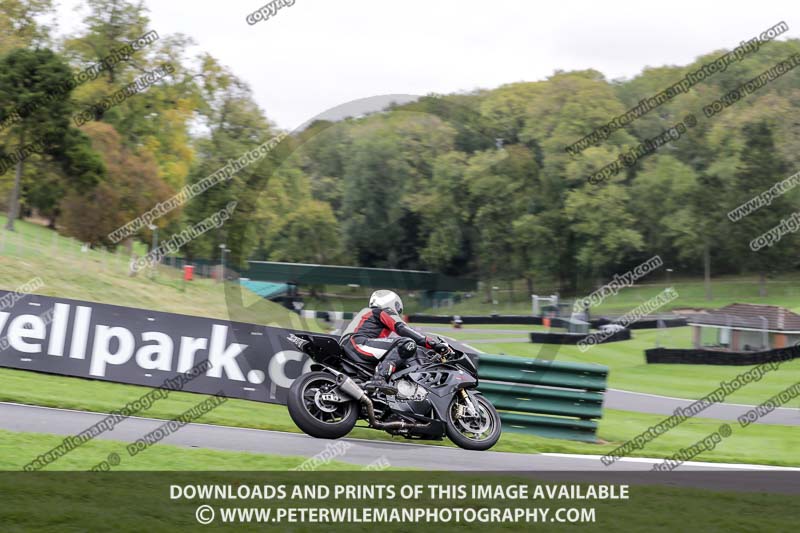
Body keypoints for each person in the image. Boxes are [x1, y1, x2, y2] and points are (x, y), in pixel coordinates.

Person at [339, 289, 451, 393]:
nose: (397, 311)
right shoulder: (381, 311)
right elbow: (401, 328)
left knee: (397, 350)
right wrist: (431, 344)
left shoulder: (369, 313)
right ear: (391, 302)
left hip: (351, 346)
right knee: (406, 343)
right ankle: (379, 379)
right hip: (358, 343)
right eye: (397, 307)